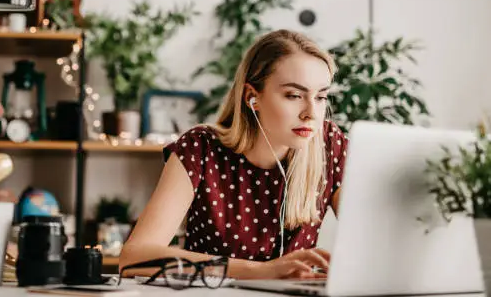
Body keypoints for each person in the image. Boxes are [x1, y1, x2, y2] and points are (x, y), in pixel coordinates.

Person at [119, 29, 348, 280]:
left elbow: (371, 241)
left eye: (321, 96)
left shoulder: (329, 145)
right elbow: (134, 258)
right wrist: (261, 271)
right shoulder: (201, 148)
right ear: (252, 97)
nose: (311, 113)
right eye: (294, 95)